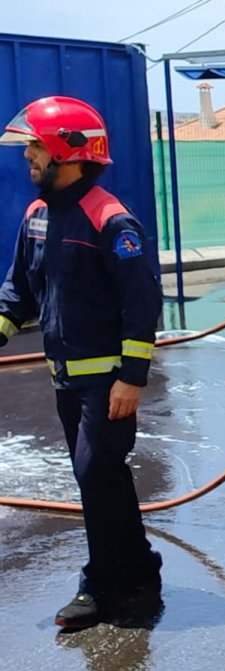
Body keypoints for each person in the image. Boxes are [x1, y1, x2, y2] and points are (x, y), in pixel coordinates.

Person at [0, 96, 163, 629]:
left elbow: (142, 303)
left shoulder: (112, 221)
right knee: (104, 477)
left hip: (107, 384)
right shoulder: (37, 216)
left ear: (66, 152)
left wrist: (132, 378)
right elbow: (19, 291)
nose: (28, 161)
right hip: (66, 381)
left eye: (34, 151)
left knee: (95, 475)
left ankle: (101, 584)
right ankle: (139, 567)